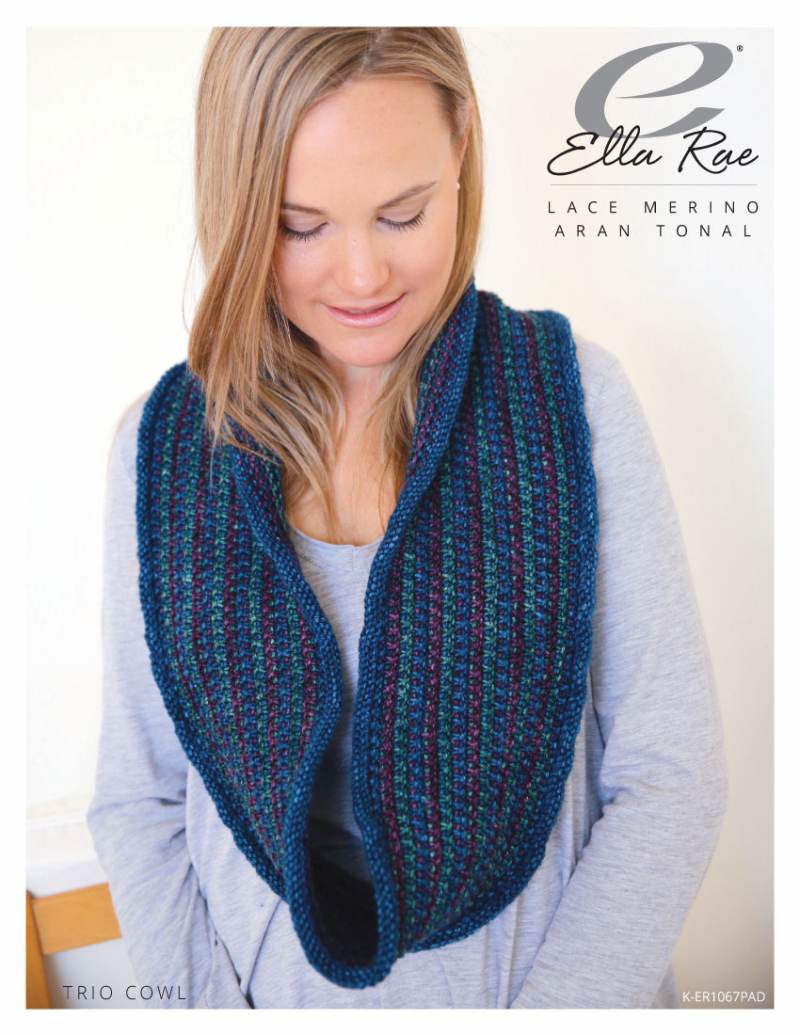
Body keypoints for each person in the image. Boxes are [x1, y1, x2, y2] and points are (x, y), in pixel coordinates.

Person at [86, 27, 728, 1009]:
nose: (361, 278)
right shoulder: (164, 447)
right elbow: (140, 800)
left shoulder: (571, 403)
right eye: (300, 227)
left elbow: (670, 777)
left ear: (461, 148)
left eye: (402, 213)